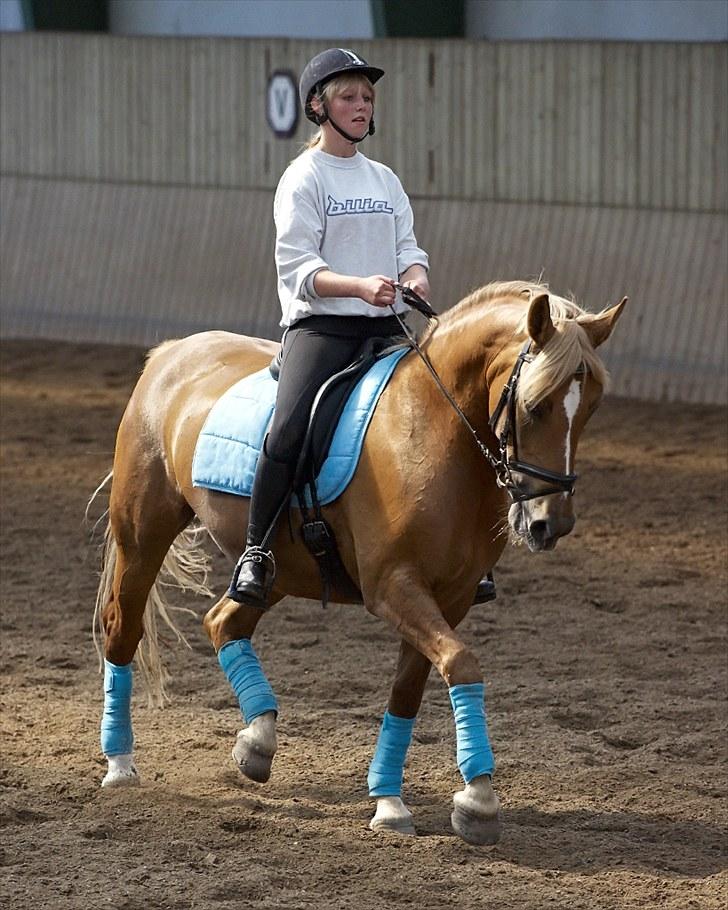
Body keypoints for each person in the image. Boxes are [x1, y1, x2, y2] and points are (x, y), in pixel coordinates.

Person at [228, 47, 495, 609]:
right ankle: (257, 550)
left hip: (386, 327)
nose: (360, 105)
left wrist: (414, 277)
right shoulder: (302, 178)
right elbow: (298, 269)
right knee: (289, 430)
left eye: (367, 97)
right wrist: (358, 287)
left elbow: (407, 247)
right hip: (323, 331)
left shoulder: (384, 179)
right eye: (348, 96)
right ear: (319, 107)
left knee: (451, 415)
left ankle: (465, 554)